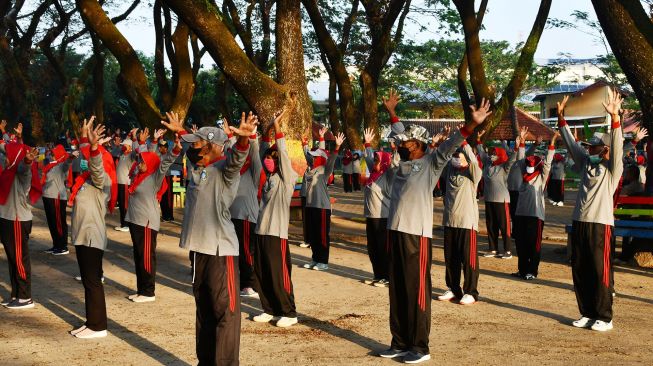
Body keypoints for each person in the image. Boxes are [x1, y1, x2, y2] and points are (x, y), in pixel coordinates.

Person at [378, 89, 489, 364]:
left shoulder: (432, 161)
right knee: (398, 289)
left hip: (418, 236)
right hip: (396, 232)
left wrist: (472, 124)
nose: (402, 144)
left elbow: (452, 142)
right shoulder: (402, 164)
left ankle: (419, 347)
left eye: (408, 142)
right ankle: (400, 341)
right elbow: (401, 132)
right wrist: (392, 113)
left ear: (421, 145)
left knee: (417, 291)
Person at [162, 110, 257, 365]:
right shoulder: (199, 167)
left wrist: (244, 140)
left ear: (214, 146)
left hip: (220, 252)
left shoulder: (225, 170)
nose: (193, 147)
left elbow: (237, 158)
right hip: (198, 250)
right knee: (203, 312)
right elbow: (191, 150)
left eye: (198, 143)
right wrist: (180, 130)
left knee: (225, 313)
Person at [557, 90, 623, 332]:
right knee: (581, 269)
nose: (589, 150)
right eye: (589, 147)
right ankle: (586, 312)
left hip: (601, 224)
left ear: (604, 149)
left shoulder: (612, 168)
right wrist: (561, 118)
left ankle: (604, 317)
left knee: (599, 271)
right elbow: (571, 144)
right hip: (580, 222)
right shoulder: (585, 163)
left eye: (594, 147)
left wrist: (615, 118)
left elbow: (617, 145)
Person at [68, 117, 117, 339]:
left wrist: (96, 148)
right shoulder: (85, 181)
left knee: (92, 282)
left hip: (90, 236)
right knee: (89, 281)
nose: (86, 160)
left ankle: (98, 326)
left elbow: (96, 168)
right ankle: (92, 322)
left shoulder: (100, 179)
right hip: (83, 236)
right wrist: (85, 138)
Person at [252, 102, 300, 327]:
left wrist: (278, 127)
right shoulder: (269, 179)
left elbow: (282, 153)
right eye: (267, 157)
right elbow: (263, 151)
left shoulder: (286, 179)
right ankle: (269, 308)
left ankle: (288, 312)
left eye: (273, 157)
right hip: (261, 231)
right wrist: (267, 130)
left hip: (276, 233)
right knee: (262, 272)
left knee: (279, 273)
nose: (269, 160)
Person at [124, 129, 181, 303]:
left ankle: (149, 292)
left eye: (142, 161)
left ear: (149, 163)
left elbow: (163, 163)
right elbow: (141, 153)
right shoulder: (138, 175)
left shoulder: (154, 176)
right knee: (138, 255)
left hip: (146, 222)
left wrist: (176, 150)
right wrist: (142, 142)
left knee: (147, 256)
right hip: (134, 219)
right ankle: (141, 289)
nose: (139, 162)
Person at [221, 117, 263, 299]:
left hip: (246, 215)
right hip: (229, 214)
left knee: (246, 251)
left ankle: (248, 284)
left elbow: (252, 153)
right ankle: (235, 280)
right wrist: (231, 135)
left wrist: (251, 135)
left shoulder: (253, 170)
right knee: (232, 249)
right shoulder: (232, 171)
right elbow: (232, 151)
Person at [436, 138, 482, 305]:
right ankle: (453, 289)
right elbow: (440, 158)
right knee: (451, 259)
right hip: (450, 222)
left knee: (468, 259)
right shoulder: (449, 170)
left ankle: (471, 291)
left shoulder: (472, 173)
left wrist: (464, 143)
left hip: (467, 222)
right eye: (454, 156)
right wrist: (445, 143)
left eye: (459, 156)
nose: (455, 158)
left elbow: (474, 162)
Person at [0, 131, 40, 310]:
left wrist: (27, 160)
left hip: (17, 219)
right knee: (12, 259)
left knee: (19, 258)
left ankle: (25, 297)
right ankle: (16, 294)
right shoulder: (7, 171)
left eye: (7, 154)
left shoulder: (21, 172)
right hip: (7, 218)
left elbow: (24, 169)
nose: (4, 157)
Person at [512, 132, 556, 280]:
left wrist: (551, 145)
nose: (529, 167)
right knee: (521, 244)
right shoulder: (523, 173)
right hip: (520, 215)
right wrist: (522, 142)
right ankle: (522, 270)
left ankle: (532, 271)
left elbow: (548, 164)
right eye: (528, 165)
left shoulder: (541, 178)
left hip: (535, 216)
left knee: (533, 245)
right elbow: (520, 159)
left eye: (532, 165)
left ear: (537, 166)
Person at [302, 126, 343, 271]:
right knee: (313, 235)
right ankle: (315, 259)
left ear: (320, 158)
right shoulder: (311, 169)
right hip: (310, 206)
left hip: (322, 207)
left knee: (322, 235)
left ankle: (323, 261)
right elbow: (307, 154)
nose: (312, 158)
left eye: (315, 156)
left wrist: (337, 147)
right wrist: (305, 143)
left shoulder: (325, 170)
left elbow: (330, 159)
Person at [476, 128, 520, 259]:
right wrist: (478, 140)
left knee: (504, 226)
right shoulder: (487, 164)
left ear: (500, 154)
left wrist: (516, 147)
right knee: (491, 225)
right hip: (489, 200)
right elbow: (481, 152)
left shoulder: (504, 167)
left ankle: (507, 250)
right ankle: (493, 248)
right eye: (491, 153)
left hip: (502, 201)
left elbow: (512, 159)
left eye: (494, 153)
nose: (491, 155)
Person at [361, 128, 396, 288]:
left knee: (383, 249)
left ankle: (387, 277)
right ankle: (378, 275)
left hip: (383, 218)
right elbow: (369, 157)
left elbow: (395, 164)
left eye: (377, 160)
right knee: (373, 248)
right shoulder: (374, 174)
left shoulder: (387, 176)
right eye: (374, 159)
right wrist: (367, 142)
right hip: (370, 217)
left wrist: (395, 148)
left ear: (384, 162)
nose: (374, 162)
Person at [42, 144, 77, 255]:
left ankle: (63, 246)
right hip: (48, 196)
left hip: (56, 197)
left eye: (53, 153)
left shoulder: (62, 165)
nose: (51, 155)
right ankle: (56, 245)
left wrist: (70, 157)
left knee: (59, 223)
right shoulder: (50, 165)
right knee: (52, 223)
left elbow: (67, 164)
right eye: (51, 153)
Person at [115, 129, 146, 232]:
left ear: (129, 147)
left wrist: (133, 138)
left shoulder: (131, 156)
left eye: (125, 145)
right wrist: (126, 136)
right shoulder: (122, 154)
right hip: (119, 183)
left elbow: (136, 150)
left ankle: (126, 225)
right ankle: (123, 223)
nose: (123, 146)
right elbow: (115, 151)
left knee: (125, 204)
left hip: (125, 183)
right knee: (121, 204)